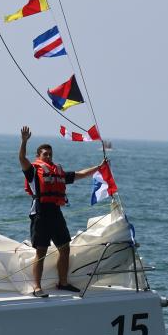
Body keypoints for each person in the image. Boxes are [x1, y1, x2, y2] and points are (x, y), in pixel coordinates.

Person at [18, 126, 103, 298]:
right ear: (38, 156)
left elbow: (80, 175)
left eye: (50, 154)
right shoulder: (33, 172)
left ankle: (63, 283)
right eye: (45, 154)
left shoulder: (58, 172)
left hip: (56, 213)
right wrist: (24, 141)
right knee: (40, 252)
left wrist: (99, 167)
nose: (48, 157)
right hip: (40, 214)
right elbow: (21, 158)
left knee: (65, 248)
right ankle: (37, 287)